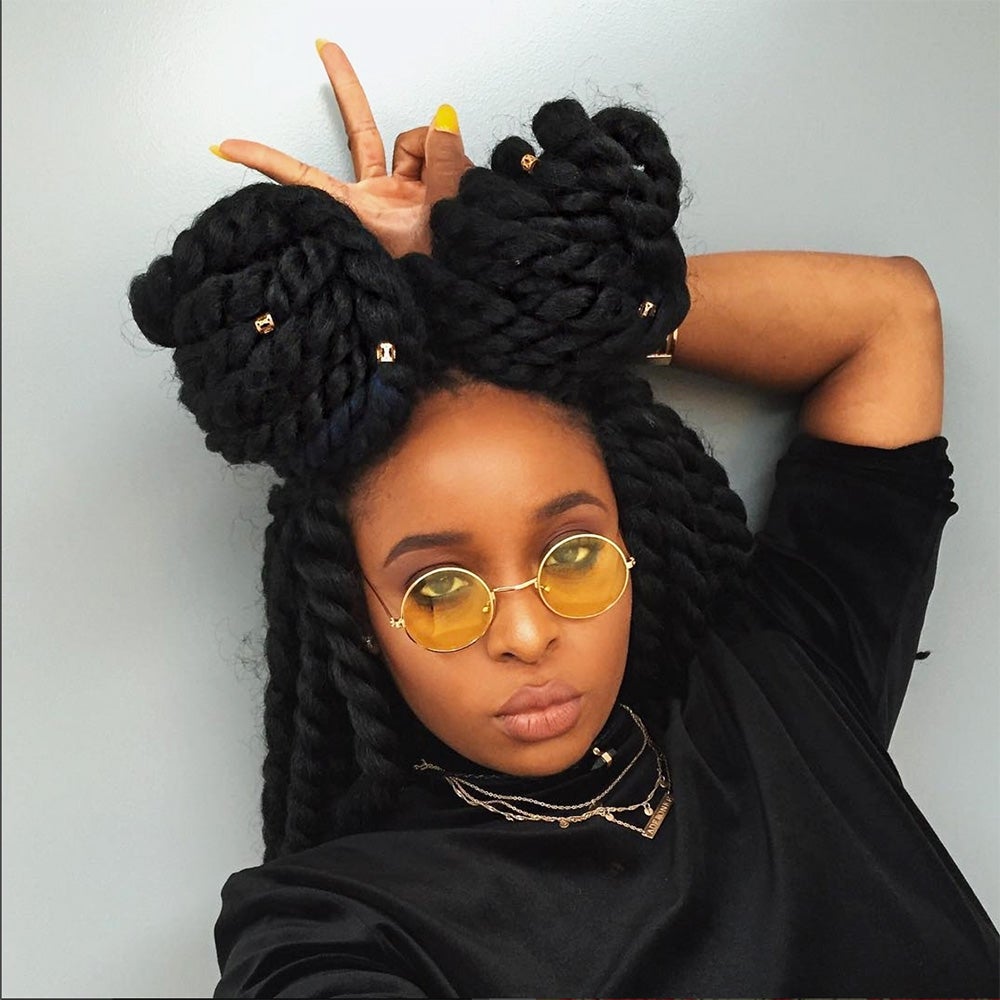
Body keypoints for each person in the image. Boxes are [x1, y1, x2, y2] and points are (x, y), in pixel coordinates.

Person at [129, 41, 999, 998]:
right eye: (441, 590)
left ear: (630, 544)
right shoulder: (335, 923)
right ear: (363, 616)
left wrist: (513, 293)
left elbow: (889, 319)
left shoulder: (786, 690)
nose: (527, 633)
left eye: (573, 557)